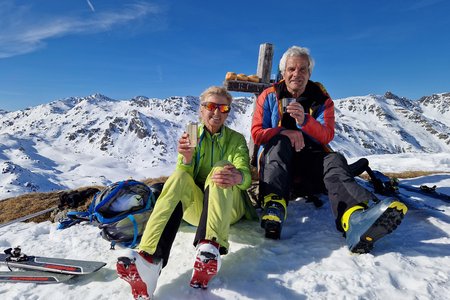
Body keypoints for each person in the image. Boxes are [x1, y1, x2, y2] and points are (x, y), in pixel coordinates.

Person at [251, 45, 408, 253]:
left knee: (334, 160)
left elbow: (327, 135)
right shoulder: (269, 96)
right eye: (291, 69)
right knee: (279, 144)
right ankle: (274, 209)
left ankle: (354, 219)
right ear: (283, 72)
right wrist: (283, 132)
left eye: (302, 69)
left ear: (309, 73)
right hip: (277, 170)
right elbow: (257, 133)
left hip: (311, 167)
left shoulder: (321, 99)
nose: (296, 74)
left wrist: (305, 121)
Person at [116, 86, 255, 300]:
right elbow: (183, 178)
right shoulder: (191, 134)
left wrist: (238, 177)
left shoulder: (235, 139)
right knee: (179, 176)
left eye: (223, 108)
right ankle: (149, 258)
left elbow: (245, 174)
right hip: (198, 210)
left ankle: (211, 247)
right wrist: (187, 161)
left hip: (229, 208)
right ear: (201, 109)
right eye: (210, 106)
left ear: (228, 112)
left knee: (220, 170)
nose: (216, 112)